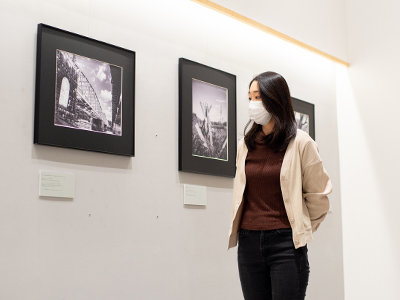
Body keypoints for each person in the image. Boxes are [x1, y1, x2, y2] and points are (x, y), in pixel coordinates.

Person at [228, 71, 332, 300]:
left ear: (275, 99)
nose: (252, 104)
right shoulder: (245, 145)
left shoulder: (301, 142)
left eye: (258, 97)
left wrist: (300, 227)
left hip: (286, 245)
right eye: (249, 98)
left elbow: (319, 195)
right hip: (248, 243)